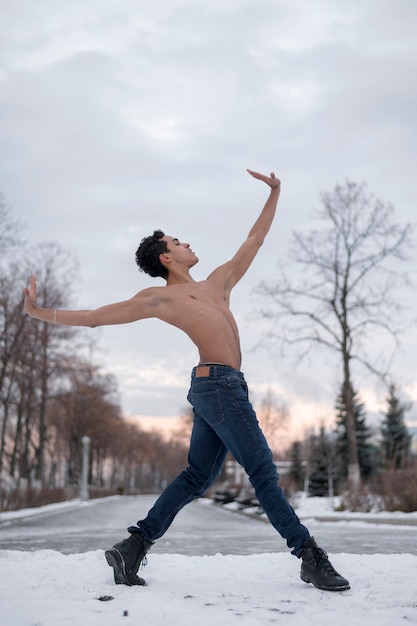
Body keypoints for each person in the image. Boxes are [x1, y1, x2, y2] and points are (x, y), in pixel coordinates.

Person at [23, 169, 350, 592]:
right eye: (178, 242)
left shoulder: (218, 284)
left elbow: (255, 240)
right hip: (219, 387)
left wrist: (275, 192)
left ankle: (133, 546)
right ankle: (308, 555)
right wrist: (36, 312)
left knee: (197, 477)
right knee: (264, 474)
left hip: (224, 386)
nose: (187, 243)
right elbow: (93, 318)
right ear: (166, 258)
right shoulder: (160, 298)